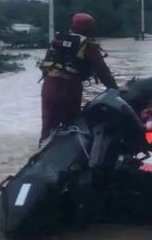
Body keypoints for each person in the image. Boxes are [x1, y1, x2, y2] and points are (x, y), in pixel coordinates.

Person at [39, 13, 117, 143]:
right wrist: (115, 89)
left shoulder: (58, 40)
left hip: (49, 86)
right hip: (70, 88)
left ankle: (40, 155)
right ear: (88, 28)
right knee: (71, 125)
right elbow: (103, 71)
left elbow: (45, 65)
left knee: (47, 127)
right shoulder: (87, 45)